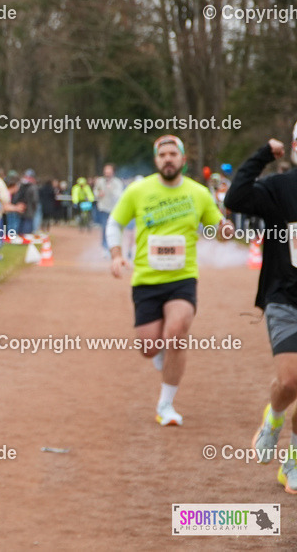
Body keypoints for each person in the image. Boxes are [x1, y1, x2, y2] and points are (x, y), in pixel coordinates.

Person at [107, 135, 227, 426]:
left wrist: (224, 229)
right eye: (163, 155)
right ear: (156, 160)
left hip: (182, 278)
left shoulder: (198, 193)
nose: (168, 159)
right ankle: (162, 353)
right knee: (149, 347)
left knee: (176, 332)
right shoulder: (138, 190)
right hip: (146, 279)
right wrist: (116, 254)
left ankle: (166, 405)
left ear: (183, 160)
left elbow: (217, 226)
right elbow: (115, 222)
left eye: (174, 154)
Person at [223, 131, 297, 492]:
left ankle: (294, 462)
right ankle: (273, 420)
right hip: (284, 295)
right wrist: (262, 155)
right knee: (290, 381)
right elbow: (235, 198)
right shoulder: (280, 188)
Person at [93, 164, 124, 252]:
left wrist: (111, 190)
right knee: (104, 227)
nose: (107, 174)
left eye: (109, 172)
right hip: (103, 208)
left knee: (114, 227)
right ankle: (105, 246)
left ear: (113, 173)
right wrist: (98, 194)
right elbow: (95, 191)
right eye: (106, 172)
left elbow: (119, 195)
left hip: (114, 209)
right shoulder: (100, 181)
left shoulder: (117, 182)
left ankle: (114, 245)